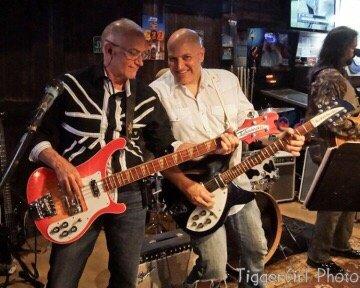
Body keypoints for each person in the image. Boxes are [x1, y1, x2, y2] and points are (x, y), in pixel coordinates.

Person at [28, 19, 237, 288]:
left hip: (129, 195)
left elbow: (166, 145)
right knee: (61, 279)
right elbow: (34, 134)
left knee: (126, 278)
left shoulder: (146, 96)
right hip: (74, 193)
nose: (141, 61)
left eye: (145, 54)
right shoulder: (69, 86)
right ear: (108, 50)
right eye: (134, 53)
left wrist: (197, 148)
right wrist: (59, 164)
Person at [150, 28, 305, 288]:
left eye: (186, 57)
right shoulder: (157, 92)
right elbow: (159, 153)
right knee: (213, 266)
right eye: (172, 59)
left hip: (235, 177)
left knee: (256, 248)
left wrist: (279, 136)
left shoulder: (227, 81)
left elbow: (253, 125)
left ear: (201, 54)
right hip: (198, 188)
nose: (179, 66)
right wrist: (188, 184)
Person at [306, 26, 360, 274]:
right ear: (341, 47)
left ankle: (340, 244)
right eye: (351, 46)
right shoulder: (328, 76)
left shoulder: (338, 73)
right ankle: (319, 255)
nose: (354, 51)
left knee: (349, 195)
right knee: (333, 201)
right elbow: (331, 120)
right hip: (331, 146)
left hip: (343, 145)